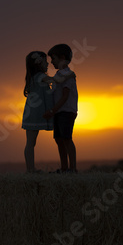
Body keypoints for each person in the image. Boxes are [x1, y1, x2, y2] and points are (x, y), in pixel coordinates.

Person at [22, 51, 75, 173]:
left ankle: (30, 169)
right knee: (31, 143)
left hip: (30, 113)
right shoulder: (40, 76)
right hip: (36, 113)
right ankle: (30, 169)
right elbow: (56, 80)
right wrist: (70, 75)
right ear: (39, 64)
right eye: (45, 62)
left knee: (30, 142)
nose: (48, 64)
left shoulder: (33, 78)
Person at [43, 44, 78, 173]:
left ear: (62, 57)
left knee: (67, 138)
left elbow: (65, 96)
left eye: (53, 58)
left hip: (66, 111)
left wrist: (52, 110)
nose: (51, 62)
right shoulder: (59, 75)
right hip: (59, 111)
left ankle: (73, 168)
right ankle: (64, 167)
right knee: (59, 139)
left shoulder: (68, 75)